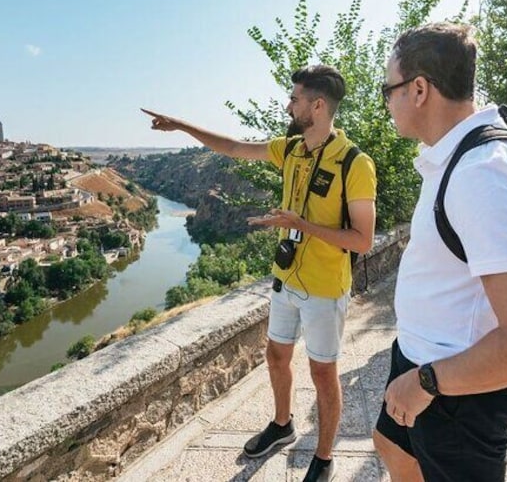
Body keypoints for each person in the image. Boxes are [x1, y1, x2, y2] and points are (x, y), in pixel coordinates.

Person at [143, 64, 377, 482]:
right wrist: (180, 126)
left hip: (325, 288)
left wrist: (300, 224)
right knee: (276, 356)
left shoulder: (355, 163)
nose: (288, 105)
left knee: (323, 372)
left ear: (318, 105)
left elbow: (362, 240)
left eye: (295, 98)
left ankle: (323, 458)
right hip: (286, 279)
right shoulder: (290, 148)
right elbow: (233, 147)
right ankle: (282, 424)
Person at [372, 22, 507, 481]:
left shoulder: (484, 175)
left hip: (457, 390)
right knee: (390, 443)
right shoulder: (458, 157)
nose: (385, 102)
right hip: (426, 363)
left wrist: (426, 383)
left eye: (388, 89)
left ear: (418, 89)